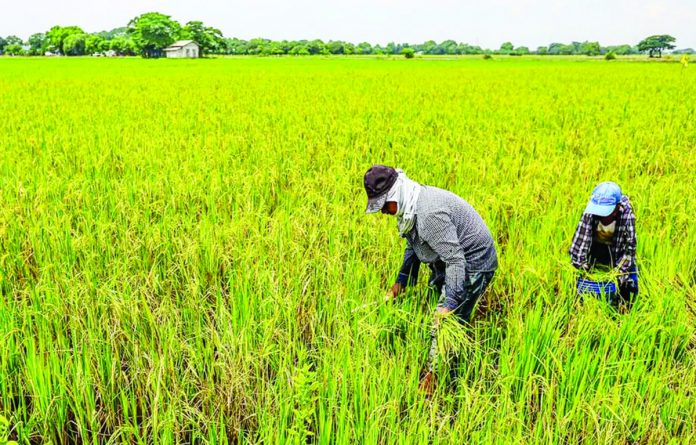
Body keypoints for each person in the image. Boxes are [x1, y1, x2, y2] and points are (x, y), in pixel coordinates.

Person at [364, 165, 498, 393]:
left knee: (446, 323)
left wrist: (450, 305)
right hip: (450, 258)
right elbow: (413, 244)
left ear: (396, 194)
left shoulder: (429, 215)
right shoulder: (410, 207)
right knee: (436, 295)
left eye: (385, 205)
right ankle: (443, 356)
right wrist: (401, 281)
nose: (384, 212)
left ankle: (438, 377)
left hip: (473, 261)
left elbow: (456, 260)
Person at [569, 181, 638, 307]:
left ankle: (624, 308)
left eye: (606, 212)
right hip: (595, 248)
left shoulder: (627, 215)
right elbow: (579, 242)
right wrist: (584, 269)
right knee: (577, 285)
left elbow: (630, 249)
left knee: (629, 284)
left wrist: (617, 274)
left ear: (617, 208)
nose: (601, 216)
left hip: (617, 249)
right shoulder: (590, 212)